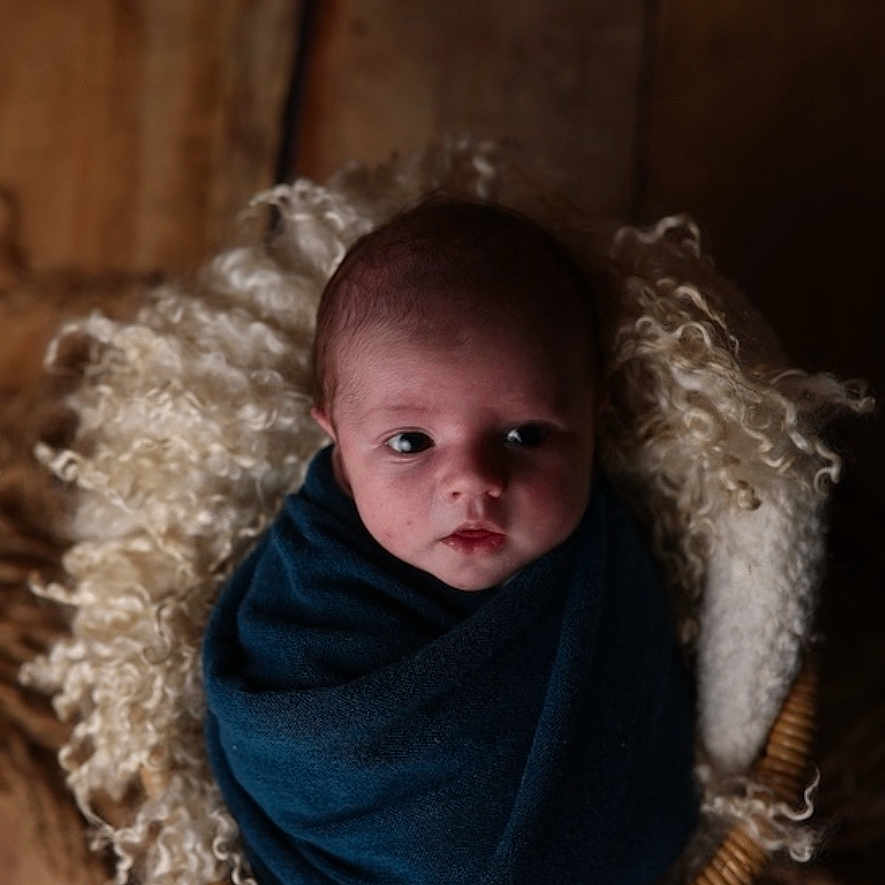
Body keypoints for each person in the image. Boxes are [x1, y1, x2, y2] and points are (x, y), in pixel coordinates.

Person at [203, 198, 698, 884]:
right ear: (338, 444)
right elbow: (283, 746)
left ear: (593, 421)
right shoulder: (311, 592)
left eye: (524, 435)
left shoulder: (605, 562)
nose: (472, 481)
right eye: (410, 442)